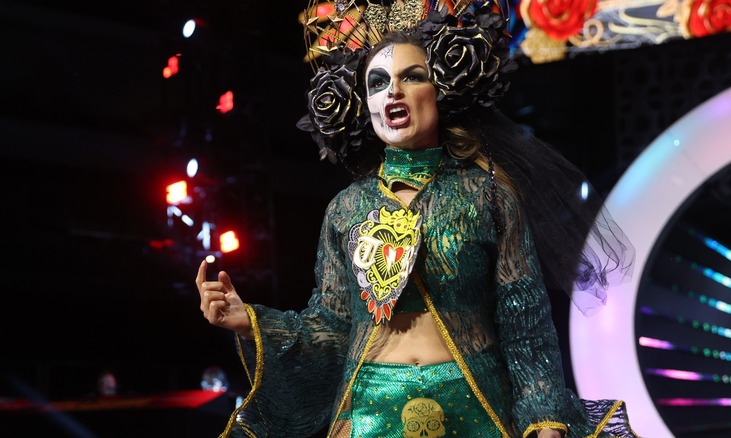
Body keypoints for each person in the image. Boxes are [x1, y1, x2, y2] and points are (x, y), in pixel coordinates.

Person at [196, 2, 637, 437]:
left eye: (413, 76)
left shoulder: (487, 194)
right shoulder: (345, 209)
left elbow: (525, 323)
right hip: (369, 414)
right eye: (378, 82)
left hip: (475, 407)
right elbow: (329, 329)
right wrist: (250, 320)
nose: (394, 91)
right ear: (364, 104)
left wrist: (546, 423)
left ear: (439, 91)